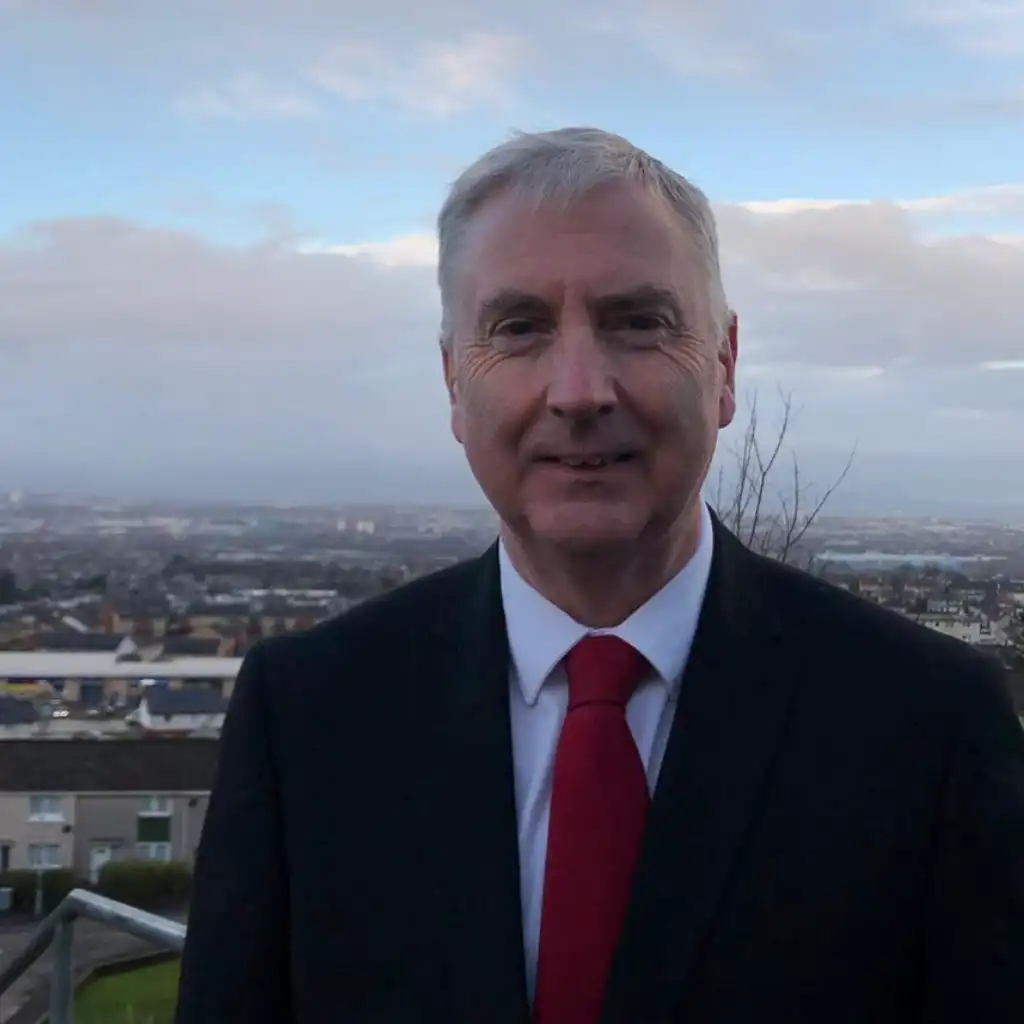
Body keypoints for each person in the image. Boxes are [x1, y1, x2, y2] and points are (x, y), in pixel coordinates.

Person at [176, 128, 1024, 1024]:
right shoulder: (306, 717)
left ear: (726, 366)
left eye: (638, 323)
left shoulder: (929, 725)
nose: (579, 391)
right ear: (453, 383)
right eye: (519, 328)